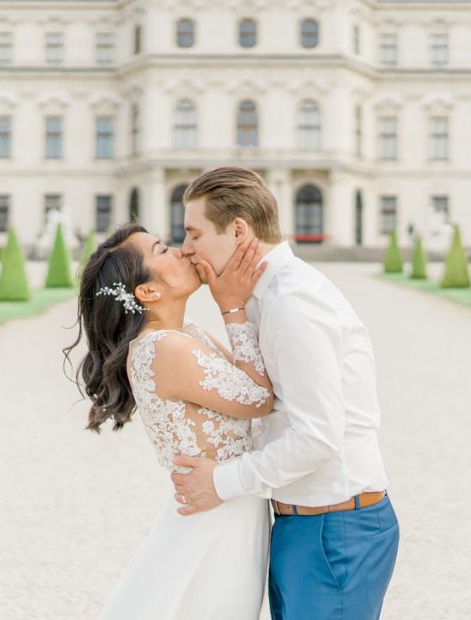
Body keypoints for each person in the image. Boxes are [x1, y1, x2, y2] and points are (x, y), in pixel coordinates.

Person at [171, 167, 399, 619]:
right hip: (305, 525)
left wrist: (220, 482)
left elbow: (317, 436)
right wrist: (231, 308)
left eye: (194, 233)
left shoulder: (292, 303)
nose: (186, 248)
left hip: (335, 532)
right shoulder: (263, 296)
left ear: (237, 230)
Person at [64, 222, 275, 619]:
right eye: (162, 250)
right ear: (148, 291)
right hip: (216, 518)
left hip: (227, 506)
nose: (181, 250)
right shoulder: (165, 348)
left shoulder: (184, 335)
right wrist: (232, 306)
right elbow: (260, 397)